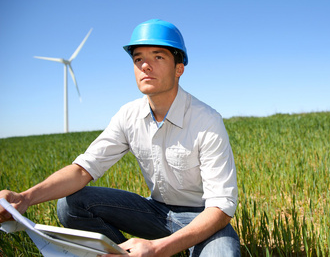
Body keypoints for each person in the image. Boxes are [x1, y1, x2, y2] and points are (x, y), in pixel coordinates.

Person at [0, 19, 241, 256]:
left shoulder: (207, 120)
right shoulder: (129, 115)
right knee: (71, 204)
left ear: (179, 68)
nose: (145, 66)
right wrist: (25, 198)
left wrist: (158, 248)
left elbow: (221, 208)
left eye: (158, 57)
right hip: (154, 211)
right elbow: (83, 169)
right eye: (138, 59)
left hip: (203, 216)